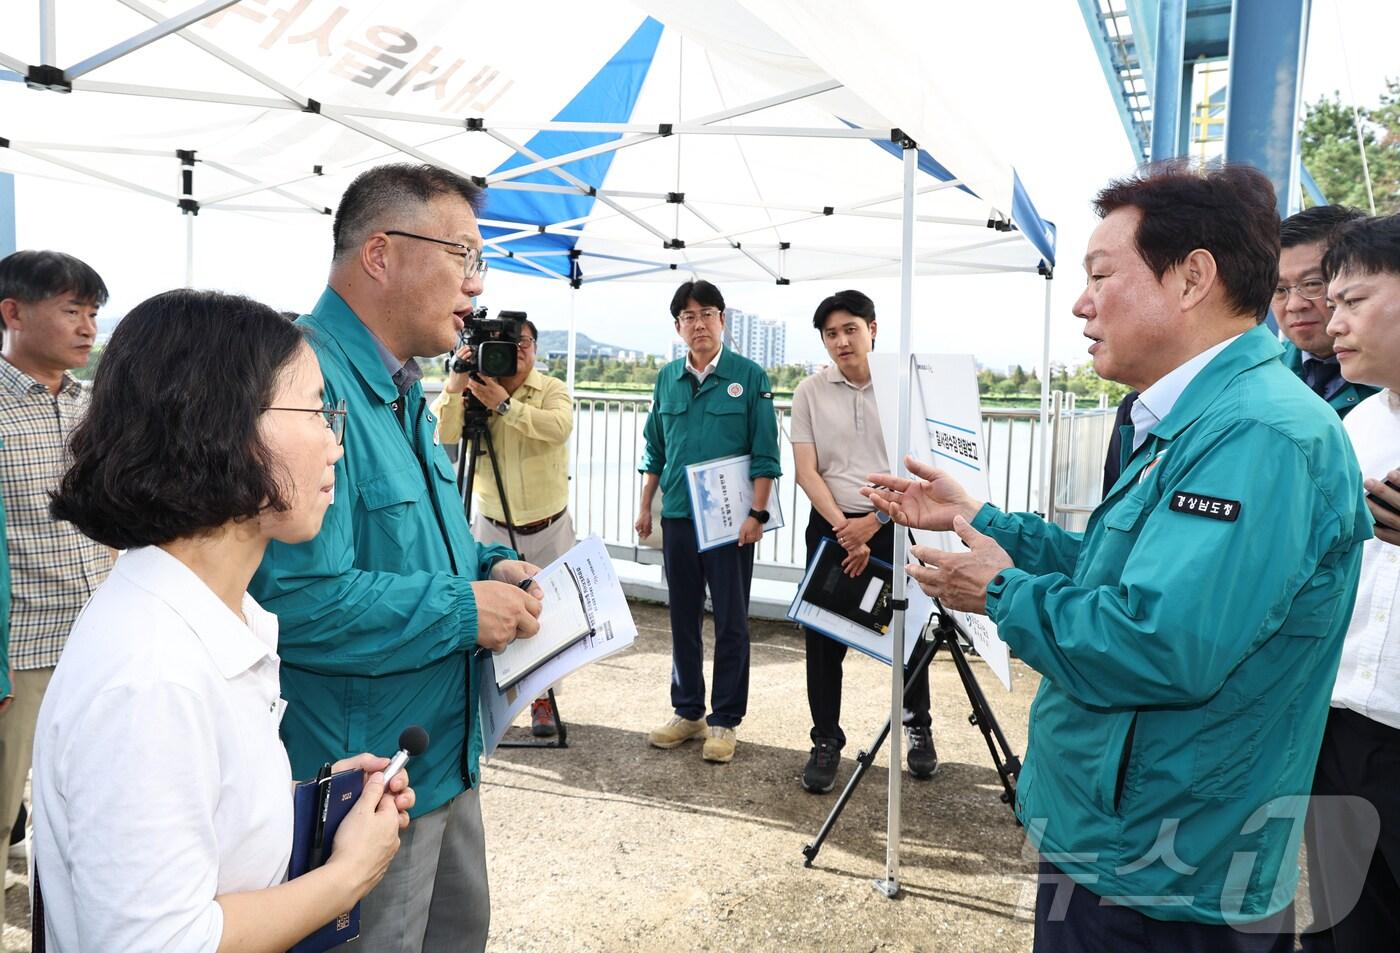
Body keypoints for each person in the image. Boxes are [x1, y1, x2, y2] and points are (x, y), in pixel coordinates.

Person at [867, 162, 1370, 951]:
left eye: (1102, 273)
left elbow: (1160, 642)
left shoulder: (1260, 436)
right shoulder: (1200, 418)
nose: (1081, 301)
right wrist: (978, 517)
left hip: (1168, 872)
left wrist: (1001, 593)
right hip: (1120, 837)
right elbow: (1117, 567)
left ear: (1192, 278)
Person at [32, 288, 414, 952]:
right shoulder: (151, 678)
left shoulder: (209, 618)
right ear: (223, 424)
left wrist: (305, 803)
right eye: (318, 409)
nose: (335, 445)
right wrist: (348, 874)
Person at [250, 163, 544, 953]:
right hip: (361, 783)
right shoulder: (303, 383)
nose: (476, 288)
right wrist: (464, 610)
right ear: (380, 253)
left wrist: (488, 568)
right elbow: (297, 605)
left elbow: (426, 539)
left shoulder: (402, 384)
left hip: (442, 757)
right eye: (464, 255)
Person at [1300, 212, 1400, 952]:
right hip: (1339, 728)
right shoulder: (1352, 429)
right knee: (1348, 929)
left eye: (1352, 300)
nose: (1331, 321)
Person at [790, 290, 937, 793]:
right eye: (831, 333)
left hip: (892, 522)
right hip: (831, 528)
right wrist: (843, 528)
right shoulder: (809, 391)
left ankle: (918, 725)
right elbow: (806, 471)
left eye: (850, 329)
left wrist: (872, 522)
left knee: (906, 628)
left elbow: (917, 468)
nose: (841, 341)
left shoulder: (902, 389)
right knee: (822, 637)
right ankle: (825, 740)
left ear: (872, 329)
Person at [0, 250, 114, 870]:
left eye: (93, 313)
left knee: (90, 816)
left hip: (98, 643)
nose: (88, 328)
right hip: (19, 657)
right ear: (12, 312)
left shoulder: (96, 405)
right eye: (72, 310)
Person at [635, 279, 781, 764]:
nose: (698, 324)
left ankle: (724, 721)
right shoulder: (665, 378)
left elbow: (766, 452)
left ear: (723, 320)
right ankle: (689, 711)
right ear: (678, 327)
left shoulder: (749, 375)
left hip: (730, 522)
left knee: (732, 621)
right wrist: (644, 505)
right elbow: (655, 447)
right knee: (681, 616)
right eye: (688, 317)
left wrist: (757, 514)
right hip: (677, 515)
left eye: (707, 314)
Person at [432, 317, 575, 737]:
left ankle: (544, 700)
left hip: (549, 523)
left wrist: (505, 406)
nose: (515, 352)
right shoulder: (476, 386)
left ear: (532, 347)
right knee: (492, 614)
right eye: (506, 345)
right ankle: (494, 700)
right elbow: (442, 432)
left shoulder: (551, 390)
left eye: (522, 343)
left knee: (550, 618)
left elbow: (558, 428)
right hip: (493, 526)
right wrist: (458, 385)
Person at [1276, 205, 1377, 415]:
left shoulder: (1389, 383)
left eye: (1313, 283)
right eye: (1279, 289)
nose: (1294, 304)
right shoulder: (1258, 380)